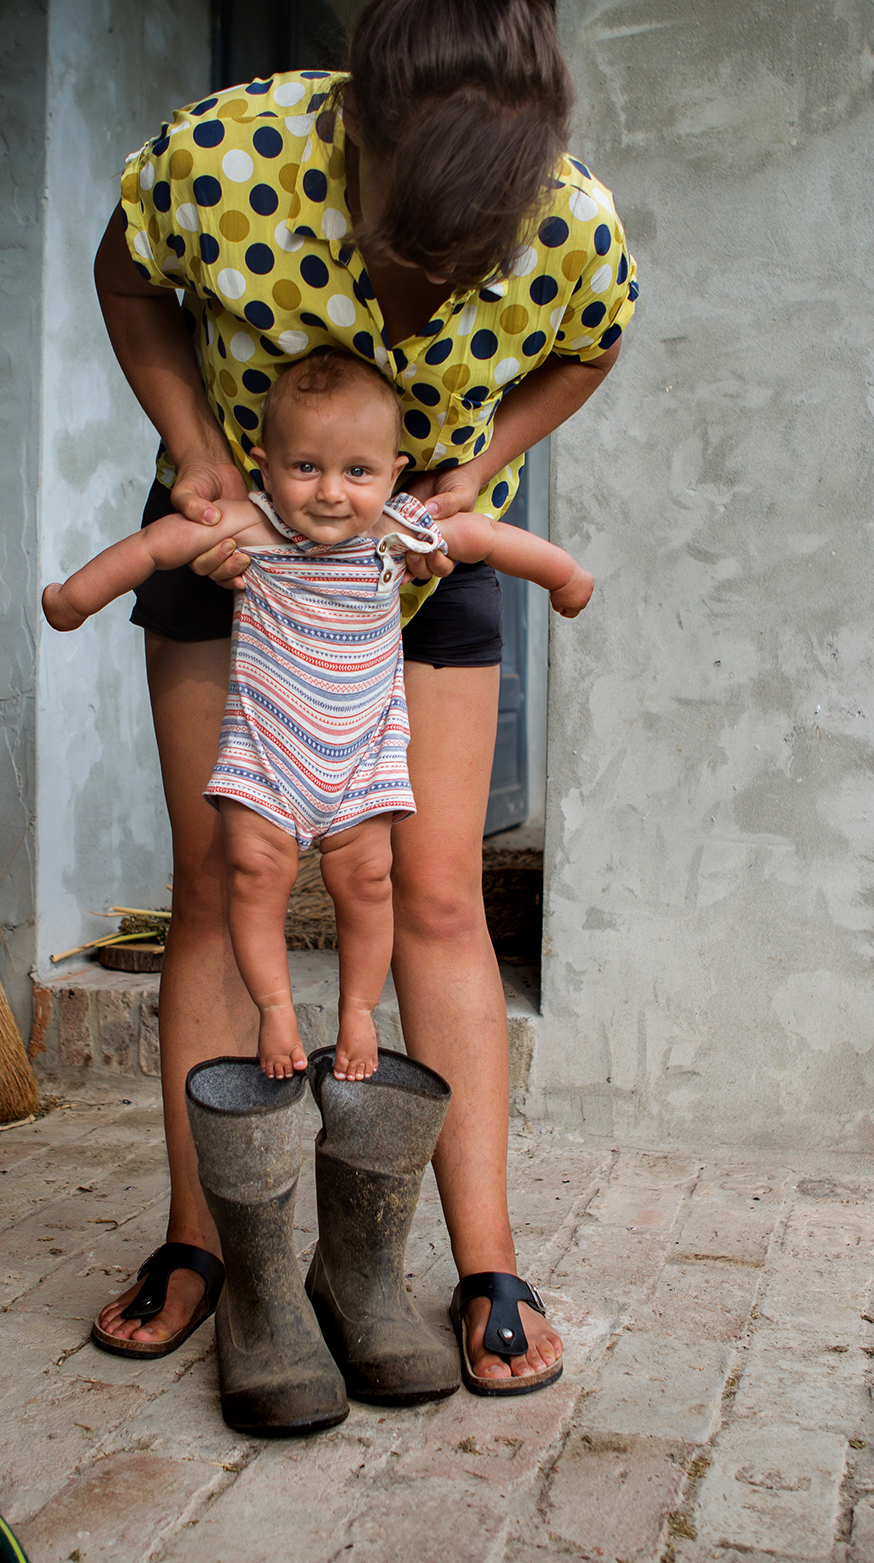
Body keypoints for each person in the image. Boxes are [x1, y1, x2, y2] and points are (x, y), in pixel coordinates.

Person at [86, 0, 638, 1395]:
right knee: (223, 874)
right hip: (239, 541)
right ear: (352, 138)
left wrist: (485, 462)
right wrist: (192, 444)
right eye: (405, 246)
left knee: (439, 890)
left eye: (464, 265)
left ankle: (486, 1261)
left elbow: (596, 339)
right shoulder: (226, 154)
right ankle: (211, 1244)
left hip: (428, 549)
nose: (421, 294)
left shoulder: (574, 221)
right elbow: (127, 275)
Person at [43, 352, 592, 1086]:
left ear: (394, 471)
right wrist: (76, 597)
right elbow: (157, 546)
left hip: (361, 759)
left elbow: (488, 539)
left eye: (357, 473)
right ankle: (275, 1007)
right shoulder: (255, 527)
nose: (331, 493)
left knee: (369, 881)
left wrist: (565, 575)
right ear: (265, 467)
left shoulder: (398, 535)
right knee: (250, 874)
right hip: (266, 758)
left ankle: (360, 1010)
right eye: (306, 467)